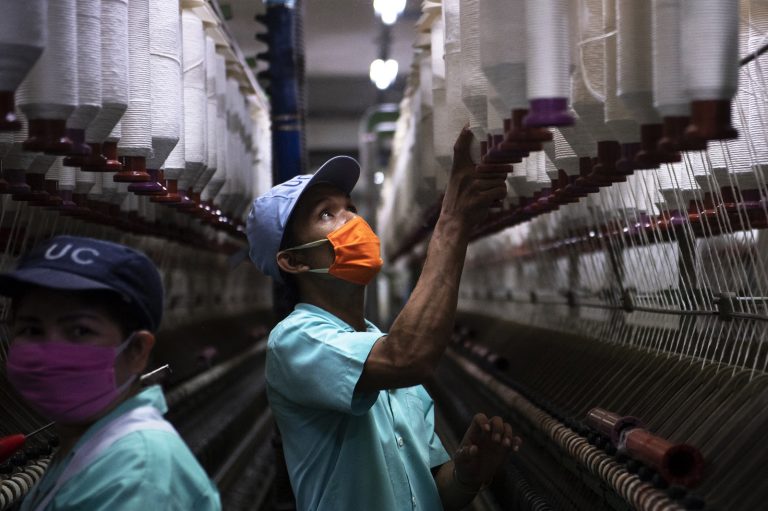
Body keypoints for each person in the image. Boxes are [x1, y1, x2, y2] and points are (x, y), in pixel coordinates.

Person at [246, 127, 521, 511]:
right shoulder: (293, 341)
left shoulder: (383, 351)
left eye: (351, 209)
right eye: (327, 214)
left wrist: (466, 473)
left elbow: (433, 493)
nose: (353, 222)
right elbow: (408, 357)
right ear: (294, 260)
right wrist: (451, 225)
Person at [1, 235, 221, 510]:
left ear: (138, 350)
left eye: (80, 331)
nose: (49, 350)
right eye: (31, 329)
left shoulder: (135, 478)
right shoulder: (83, 450)